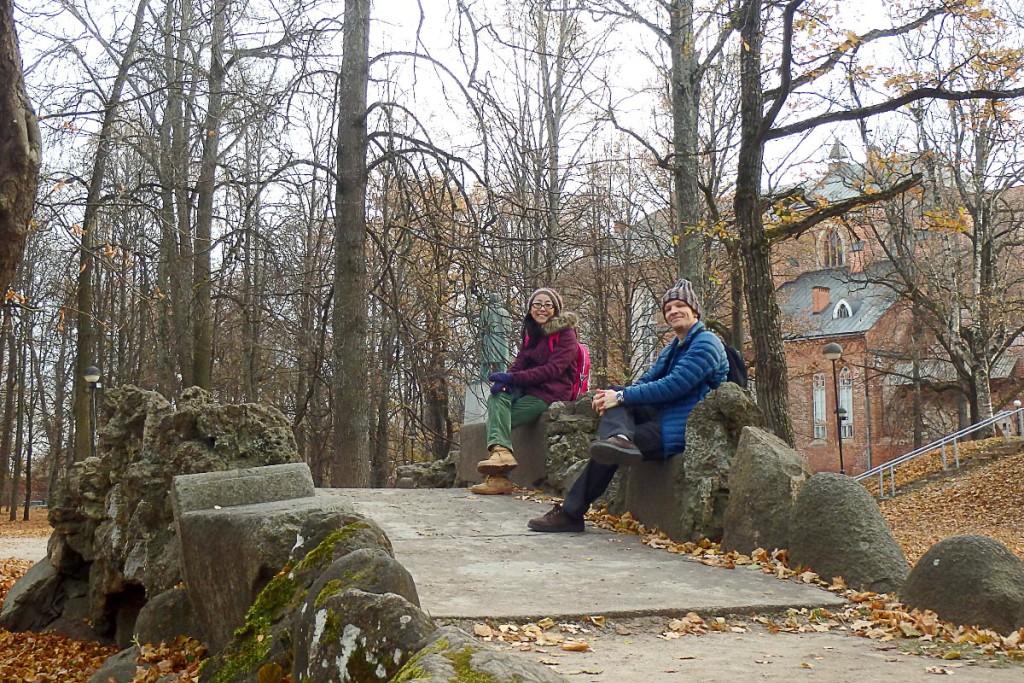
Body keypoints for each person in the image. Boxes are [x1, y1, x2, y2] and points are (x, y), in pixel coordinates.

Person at [528, 278, 728, 531]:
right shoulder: (673, 348)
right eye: (668, 309)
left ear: (695, 311)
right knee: (612, 408)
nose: (673, 312)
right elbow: (645, 381)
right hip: (659, 416)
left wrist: (620, 398)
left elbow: (675, 385)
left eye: (680, 306)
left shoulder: (706, 343)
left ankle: (571, 512)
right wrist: (613, 396)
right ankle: (619, 437)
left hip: (679, 425)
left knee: (607, 445)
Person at [471, 287, 581, 495]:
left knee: (498, 421)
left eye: (548, 305)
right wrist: (506, 382)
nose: (542, 309)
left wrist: (514, 379)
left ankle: (499, 478)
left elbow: (553, 370)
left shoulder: (566, 334)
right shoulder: (531, 332)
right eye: (537, 304)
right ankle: (501, 456)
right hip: (527, 388)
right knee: (497, 396)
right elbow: (520, 361)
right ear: (530, 309)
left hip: (549, 394)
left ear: (556, 309)